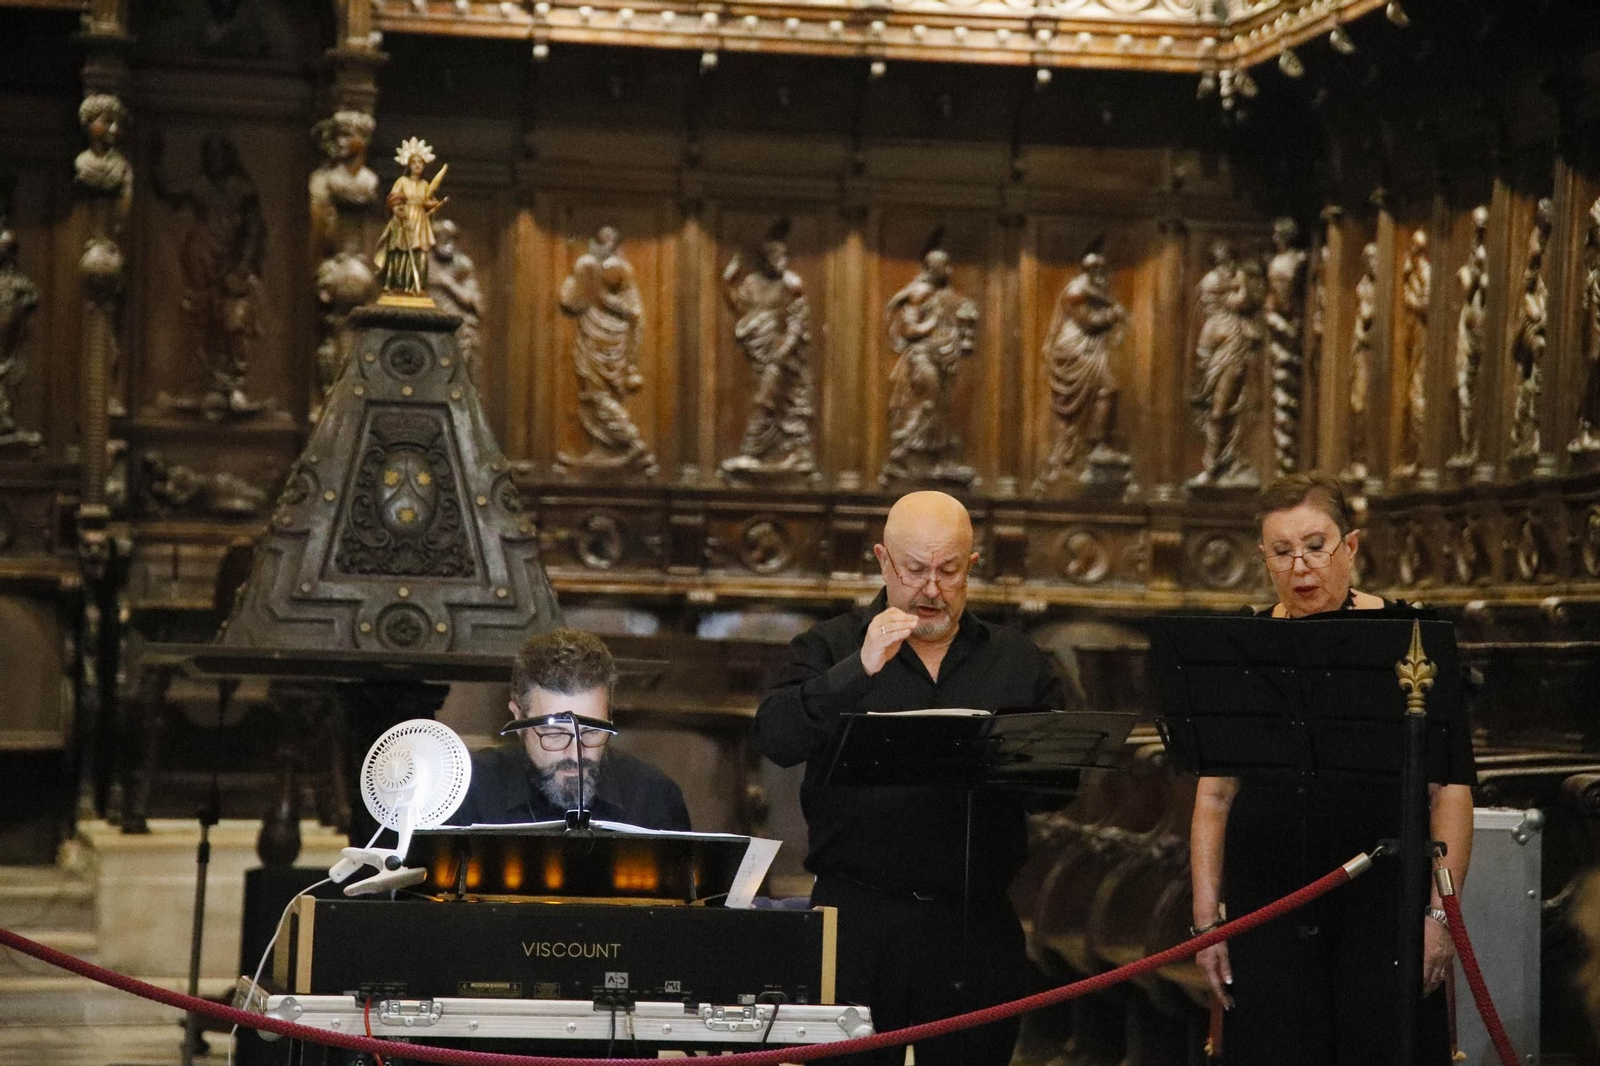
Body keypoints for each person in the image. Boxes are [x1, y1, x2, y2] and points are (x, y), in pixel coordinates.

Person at [754, 490, 1068, 1066]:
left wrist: (1012, 760)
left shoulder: (1018, 661)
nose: (931, 589)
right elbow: (777, 738)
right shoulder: (830, 646)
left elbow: (1058, 791)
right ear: (881, 560)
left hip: (974, 923)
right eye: (915, 569)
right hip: (858, 921)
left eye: (949, 571)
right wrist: (860, 669)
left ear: (971, 565)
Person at [1189, 473, 1476, 1066]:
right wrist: (1206, 920)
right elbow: (1214, 797)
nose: (1301, 565)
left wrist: (1438, 915)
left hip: (1381, 903)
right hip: (1268, 898)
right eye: (1282, 551)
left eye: (1316, 545)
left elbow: (1449, 789)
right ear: (1263, 559)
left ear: (1350, 546)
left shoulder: (1413, 637)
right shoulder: (1241, 646)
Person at [451, 628, 691, 831]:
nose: (576, 754)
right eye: (555, 734)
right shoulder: (465, 793)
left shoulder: (654, 798)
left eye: (591, 732)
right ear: (517, 717)